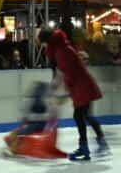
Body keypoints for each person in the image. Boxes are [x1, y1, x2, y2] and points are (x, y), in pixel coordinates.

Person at [41, 29, 109, 161]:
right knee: (85, 116)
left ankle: (85, 147)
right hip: (81, 85)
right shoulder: (61, 49)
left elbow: (65, 73)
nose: (43, 46)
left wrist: (57, 92)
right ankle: (95, 144)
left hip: (81, 86)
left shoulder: (62, 51)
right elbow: (65, 73)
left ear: (47, 41)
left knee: (79, 116)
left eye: (43, 43)